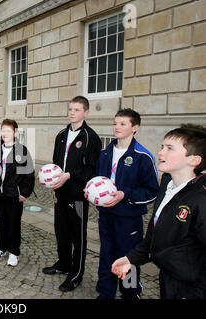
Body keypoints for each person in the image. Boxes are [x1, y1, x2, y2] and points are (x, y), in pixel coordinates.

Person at [112, 124, 206, 299]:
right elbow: (154, 237)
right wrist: (131, 259)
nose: (161, 152)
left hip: (192, 287)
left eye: (170, 148)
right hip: (168, 277)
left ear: (194, 160)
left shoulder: (201, 198)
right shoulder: (167, 185)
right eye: (162, 147)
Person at [95, 108, 159, 299]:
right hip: (106, 214)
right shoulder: (105, 153)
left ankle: (130, 293)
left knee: (127, 258)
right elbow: (97, 179)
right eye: (115, 123)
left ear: (135, 127)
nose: (117, 127)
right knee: (106, 254)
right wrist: (91, 191)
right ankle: (105, 293)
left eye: (123, 123)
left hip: (128, 218)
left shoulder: (142, 156)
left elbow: (152, 191)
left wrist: (125, 195)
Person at [42, 96, 102, 292]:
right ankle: (64, 264)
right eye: (70, 109)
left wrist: (69, 175)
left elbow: (91, 169)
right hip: (61, 193)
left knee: (78, 237)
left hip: (77, 195)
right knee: (61, 233)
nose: (72, 113)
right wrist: (54, 182)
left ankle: (76, 274)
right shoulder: (61, 134)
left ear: (86, 112)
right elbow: (55, 162)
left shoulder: (91, 137)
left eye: (76, 110)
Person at [0, 119, 35, 267]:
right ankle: (1, 247)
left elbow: (29, 175)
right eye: (3, 130)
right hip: (0, 194)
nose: (5, 133)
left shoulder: (22, 151)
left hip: (14, 195)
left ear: (15, 133)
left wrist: (24, 193)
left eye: (8, 130)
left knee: (13, 223)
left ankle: (14, 251)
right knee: (2, 222)